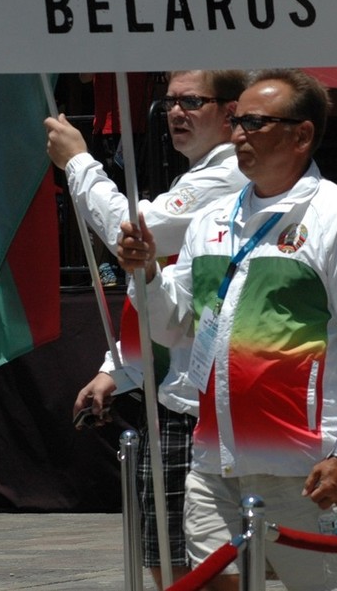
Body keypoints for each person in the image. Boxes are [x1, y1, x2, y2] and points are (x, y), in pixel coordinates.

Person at [117, 68, 337, 591]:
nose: (237, 135)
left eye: (254, 122)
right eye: (235, 121)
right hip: (215, 466)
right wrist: (148, 274)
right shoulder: (210, 221)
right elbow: (174, 324)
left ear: (301, 135)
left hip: (308, 468)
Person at [46, 69, 248, 590]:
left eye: (192, 101)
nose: (175, 112)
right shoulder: (200, 177)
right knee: (170, 563)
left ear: (230, 113)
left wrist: (78, 162)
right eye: (170, 101)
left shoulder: (224, 177)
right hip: (175, 392)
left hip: (200, 407)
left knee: (199, 568)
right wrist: (120, 366)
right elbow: (167, 291)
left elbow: (131, 233)